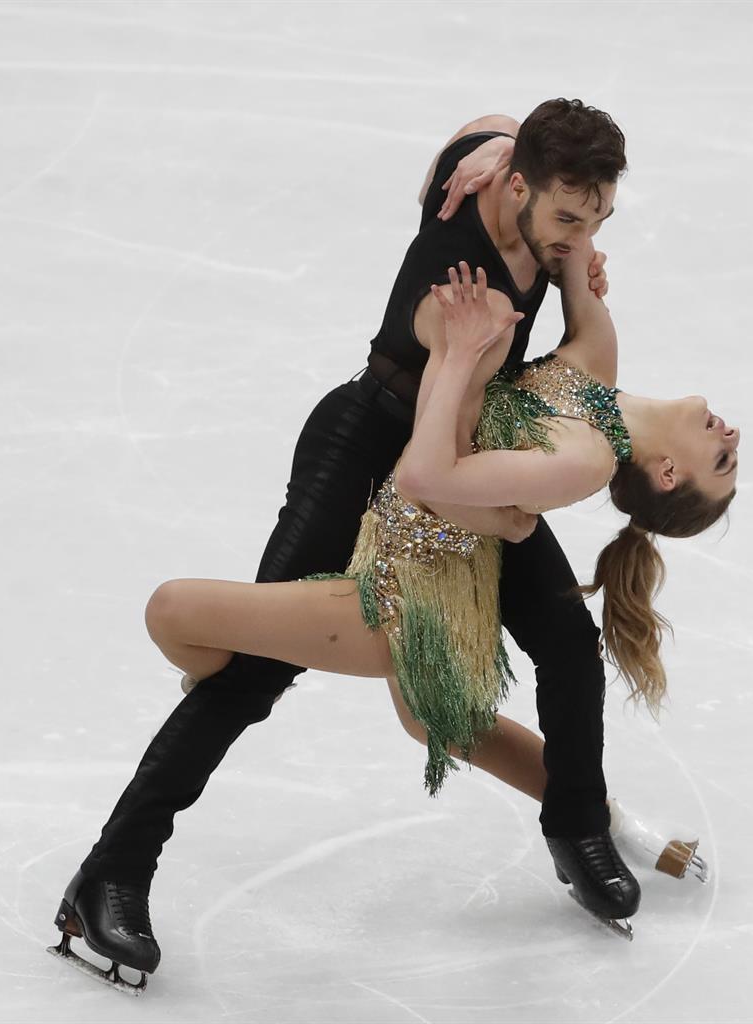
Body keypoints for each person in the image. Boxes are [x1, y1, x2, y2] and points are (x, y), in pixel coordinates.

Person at [50, 99, 637, 991]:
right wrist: (505, 518)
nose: (580, 240)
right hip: (372, 449)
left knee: (565, 641)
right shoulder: (466, 293)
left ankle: (576, 824)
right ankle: (111, 874)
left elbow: (485, 122)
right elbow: (431, 476)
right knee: (253, 669)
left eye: (598, 220)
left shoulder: (496, 175)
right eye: (567, 218)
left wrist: (495, 143)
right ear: (519, 189)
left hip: (461, 450)